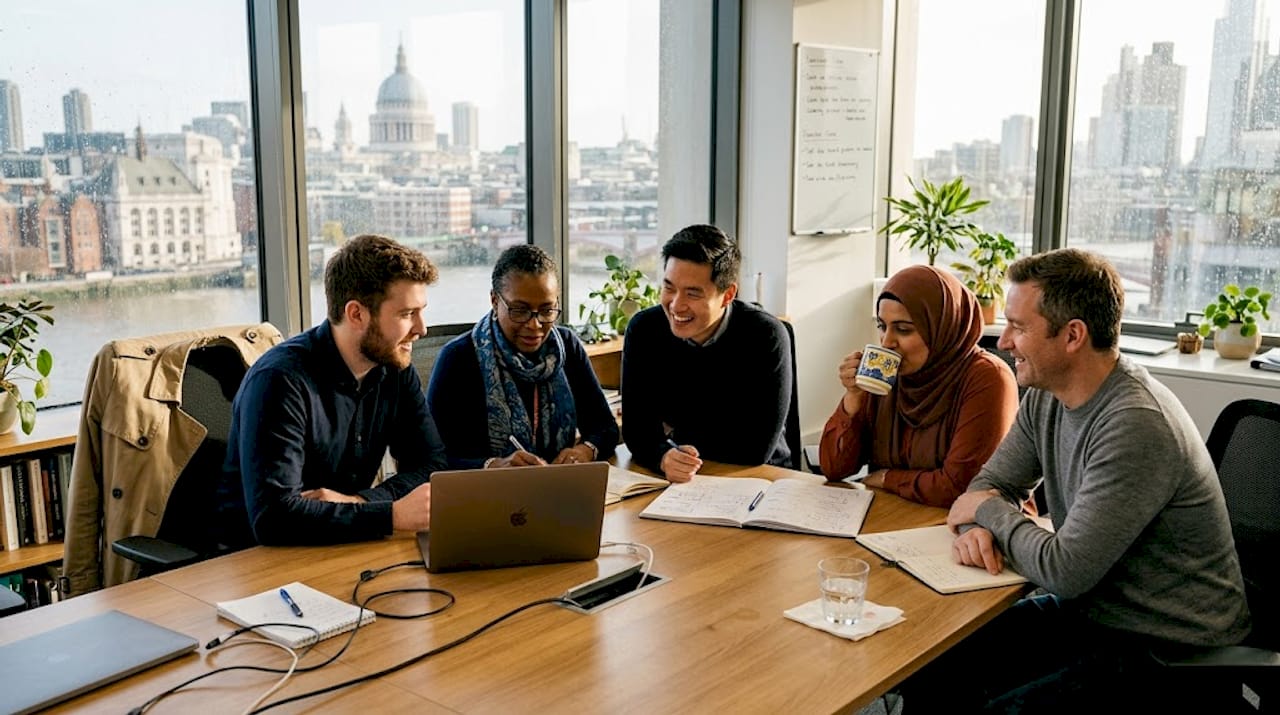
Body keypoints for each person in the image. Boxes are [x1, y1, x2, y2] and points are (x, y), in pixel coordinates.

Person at [900, 248, 1250, 711]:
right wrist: (978, 521)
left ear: (1072, 336)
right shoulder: (1047, 394)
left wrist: (986, 513)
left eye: (1019, 327)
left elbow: (1064, 570)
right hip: (1094, 615)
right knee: (933, 663)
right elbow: (985, 487)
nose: (1003, 341)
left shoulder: (1135, 423)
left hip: (1169, 649)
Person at [220, 234, 447, 546]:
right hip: (256, 561)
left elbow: (432, 465)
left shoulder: (395, 367)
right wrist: (390, 515)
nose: (421, 329)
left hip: (345, 544)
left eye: (421, 311)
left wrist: (362, 504)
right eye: (407, 314)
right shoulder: (279, 380)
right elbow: (274, 517)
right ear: (356, 314)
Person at [818, 264, 1018, 507]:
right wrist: (853, 399)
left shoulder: (988, 378)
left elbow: (960, 487)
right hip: (894, 517)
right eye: (882, 326)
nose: (887, 342)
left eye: (903, 329)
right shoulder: (887, 374)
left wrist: (888, 478)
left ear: (941, 327)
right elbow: (834, 469)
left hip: (971, 531)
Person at [621, 224, 793, 481]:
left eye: (693, 293)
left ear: (728, 295)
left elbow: (755, 448)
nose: (676, 305)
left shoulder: (764, 335)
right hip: (686, 477)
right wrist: (663, 456)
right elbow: (637, 431)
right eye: (669, 288)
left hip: (760, 479)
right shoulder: (645, 329)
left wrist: (674, 436)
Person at [427, 244, 618, 469]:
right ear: (495, 301)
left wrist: (584, 450)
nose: (534, 324)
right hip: (484, 494)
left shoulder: (566, 346)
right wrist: (493, 466)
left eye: (547, 310)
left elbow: (605, 428)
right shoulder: (458, 358)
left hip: (557, 486)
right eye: (520, 310)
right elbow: (431, 458)